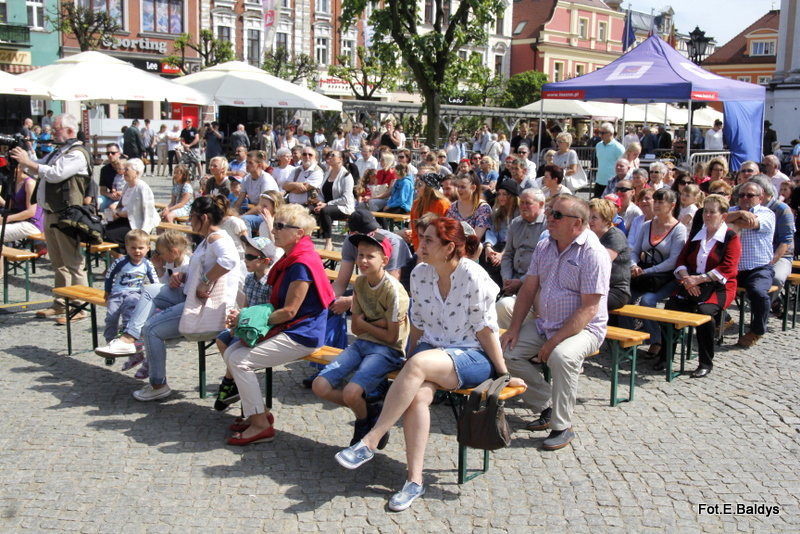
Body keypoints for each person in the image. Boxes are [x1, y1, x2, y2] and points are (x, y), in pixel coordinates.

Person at [335, 217, 524, 511]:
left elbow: (485, 330)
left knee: (419, 364)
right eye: (421, 237)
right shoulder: (420, 274)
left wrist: (503, 374)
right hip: (431, 351)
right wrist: (407, 365)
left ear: (450, 248)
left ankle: (371, 440)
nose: (420, 244)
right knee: (417, 397)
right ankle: (414, 482)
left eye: (429, 240)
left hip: (471, 354)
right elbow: (419, 326)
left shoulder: (472, 275)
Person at [95, 197, 241, 400]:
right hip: (190, 297)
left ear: (204, 218)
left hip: (205, 308)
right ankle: (128, 339)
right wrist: (183, 275)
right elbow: (204, 266)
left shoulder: (217, 238)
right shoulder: (209, 239)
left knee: (152, 329)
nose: (189, 221)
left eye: (191, 218)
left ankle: (158, 384)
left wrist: (205, 281)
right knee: (150, 290)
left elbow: (230, 261)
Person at [501, 195, 610, 450]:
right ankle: (547, 403)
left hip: (585, 328)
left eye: (557, 215)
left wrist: (553, 342)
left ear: (577, 224)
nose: (549, 218)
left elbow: (589, 308)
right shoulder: (545, 245)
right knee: (504, 350)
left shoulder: (593, 253)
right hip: (546, 323)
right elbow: (528, 289)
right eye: (550, 212)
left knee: (562, 356)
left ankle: (562, 425)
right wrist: (514, 328)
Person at [224, 204, 334, 445]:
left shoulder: (300, 264)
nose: (275, 230)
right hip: (295, 327)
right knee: (232, 351)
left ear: (299, 233)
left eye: (281, 226)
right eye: (276, 224)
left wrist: (246, 319)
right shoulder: (293, 257)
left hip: (304, 334)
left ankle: (261, 424)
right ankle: (259, 414)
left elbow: (289, 311)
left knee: (240, 361)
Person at [313, 232, 409, 446]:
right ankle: (370, 413)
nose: (363, 261)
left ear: (384, 260)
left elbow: (392, 337)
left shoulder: (394, 290)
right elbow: (355, 328)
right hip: (362, 344)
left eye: (370, 256)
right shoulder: (361, 284)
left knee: (351, 392)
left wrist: (366, 324)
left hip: (387, 350)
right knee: (320, 385)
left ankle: (363, 423)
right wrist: (377, 323)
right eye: (360, 255)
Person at [9, 113, 91, 322]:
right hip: (51, 212)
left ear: (70, 131)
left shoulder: (78, 153)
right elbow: (39, 168)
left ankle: (78, 308)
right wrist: (23, 158)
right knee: (58, 263)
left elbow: (55, 173)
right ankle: (60, 303)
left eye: (56, 130)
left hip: (68, 215)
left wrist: (29, 162)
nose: (52, 133)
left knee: (73, 263)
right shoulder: (59, 150)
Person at [663, 195, 741, 378]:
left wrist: (698, 280)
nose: (707, 215)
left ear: (723, 216)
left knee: (704, 314)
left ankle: (705, 362)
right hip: (691, 283)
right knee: (670, 307)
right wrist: (687, 279)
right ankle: (665, 356)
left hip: (719, 287)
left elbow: (727, 268)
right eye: (705, 211)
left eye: (712, 212)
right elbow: (681, 260)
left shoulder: (731, 237)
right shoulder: (697, 235)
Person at [213, 235, 283, 411]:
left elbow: (271, 311)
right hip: (246, 323)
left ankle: (229, 383)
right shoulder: (250, 279)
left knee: (232, 347)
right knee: (221, 340)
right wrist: (237, 318)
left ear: (266, 260)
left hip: (260, 328)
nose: (246, 260)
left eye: (251, 257)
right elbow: (246, 304)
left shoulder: (272, 283)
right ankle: (235, 382)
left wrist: (242, 323)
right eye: (245, 256)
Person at [630, 188, 687, 360]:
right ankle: (628, 337)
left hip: (667, 277)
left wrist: (647, 270)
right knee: (623, 297)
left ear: (672, 205)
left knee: (648, 301)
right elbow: (635, 250)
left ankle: (657, 339)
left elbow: (673, 261)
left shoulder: (679, 229)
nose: (656, 205)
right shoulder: (647, 226)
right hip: (645, 275)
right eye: (656, 200)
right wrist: (633, 265)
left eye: (661, 201)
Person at [725, 181, 775, 347]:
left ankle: (758, 330)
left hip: (758, 268)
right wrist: (740, 213)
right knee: (707, 286)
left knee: (758, 292)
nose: (745, 198)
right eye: (741, 195)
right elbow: (716, 220)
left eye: (750, 195)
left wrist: (732, 220)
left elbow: (752, 223)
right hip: (731, 267)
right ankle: (723, 320)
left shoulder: (767, 213)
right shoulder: (732, 210)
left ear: (760, 198)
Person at [103, 229, 157, 371]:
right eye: (133, 248)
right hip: (117, 294)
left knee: (130, 316)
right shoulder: (121, 262)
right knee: (111, 317)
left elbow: (154, 281)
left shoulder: (147, 264)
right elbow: (109, 276)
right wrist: (107, 291)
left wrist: (156, 296)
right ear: (126, 248)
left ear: (148, 248)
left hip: (134, 294)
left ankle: (131, 347)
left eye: (141, 248)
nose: (137, 251)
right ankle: (110, 344)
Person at [496, 188, 548, 329]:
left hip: (535, 286)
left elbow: (544, 264)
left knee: (502, 307)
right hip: (513, 280)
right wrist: (506, 279)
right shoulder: (515, 223)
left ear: (541, 204)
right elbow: (508, 254)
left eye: (528, 203)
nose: (523, 206)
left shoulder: (548, 226)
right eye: (521, 203)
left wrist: (520, 282)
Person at [746, 174, 795, 317]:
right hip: (755, 254)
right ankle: (769, 302)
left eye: (750, 194)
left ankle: (761, 314)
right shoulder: (750, 208)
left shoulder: (782, 209)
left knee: (776, 278)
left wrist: (771, 262)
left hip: (780, 256)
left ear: (763, 193)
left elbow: (786, 241)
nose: (746, 198)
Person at [102, 159, 159, 251]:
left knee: (111, 235)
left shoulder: (143, 188)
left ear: (136, 172)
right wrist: (109, 217)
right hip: (124, 219)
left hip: (136, 222)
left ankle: (124, 260)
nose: (124, 172)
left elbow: (148, 212)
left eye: (127, 170)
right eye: (124, 169)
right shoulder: (127, 185)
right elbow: (120, 206)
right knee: (102, 229)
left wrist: (143, 233)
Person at [589, 199, 631, 311]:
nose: (589, 221)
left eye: (594, 217)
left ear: (606, 220)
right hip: (596, 288)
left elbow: (600, 263)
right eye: (588, 217)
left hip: (616, 291)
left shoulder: (615, 236)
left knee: (581, 302)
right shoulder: (591, 236)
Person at [312, 150, 355, 249]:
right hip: (327, 205)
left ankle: (328, 242)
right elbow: (322, 192)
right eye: (329, 155)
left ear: (340, 159)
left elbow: (345, 199)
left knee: (325, 211)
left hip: (343, 207)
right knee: (309, 207)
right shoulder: (327, 173)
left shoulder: (346, 176)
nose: (329, 157)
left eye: (333, 155)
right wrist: (320, 202)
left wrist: (326, 204)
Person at [482, 179, 520, 286]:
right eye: (499, 194)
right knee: (487, 257)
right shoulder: (497, 212)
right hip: (499, 246)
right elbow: (492, 232)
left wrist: (502, 254)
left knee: (500, 262)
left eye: (505, 194)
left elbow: (515, 238)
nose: (501, 197)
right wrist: (488, 246)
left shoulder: (519, 213)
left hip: (513, 247)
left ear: (512, 196)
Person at [235, 150, 279, 235]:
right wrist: (232, 214)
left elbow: (261, 207)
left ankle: (248, 244)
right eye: (247, 162)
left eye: (250, 163)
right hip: (254, 210)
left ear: (259, 165)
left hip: (268, 214)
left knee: (244, 220)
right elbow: (239, 200)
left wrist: (241, 216)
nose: (247, 165)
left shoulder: (266, 180)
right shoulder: (246, 179)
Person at [0, 165, 44, 247]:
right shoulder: (14, 182)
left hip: (32, 224)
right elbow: (11, 206)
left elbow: (30, 212)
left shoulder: (30, 183)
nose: (8, 170)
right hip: (19, 221)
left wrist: (5, 219)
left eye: (11, 167)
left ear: (21, 168)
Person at [445, 173, 492, 240]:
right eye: (458, 187)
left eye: (463, 187)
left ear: (473, 188)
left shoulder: (483, 208)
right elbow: (447, 229)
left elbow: (476, 237)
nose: (459, 190)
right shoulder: (453, 207)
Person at [594, 123, 625, 198]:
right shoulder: (598, 145)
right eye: (600, 132)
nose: (600, 135)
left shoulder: (619, 148)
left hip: (613, 182)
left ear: (611, 133)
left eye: (603, 133)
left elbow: (623, 165)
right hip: (599, 181)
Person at [98, 143, 123, 211]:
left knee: (112, 208)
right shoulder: (104, 170)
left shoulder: (127, 167)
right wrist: (110, 195)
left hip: (125, 198)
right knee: (96, 202)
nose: (110, 155)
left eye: (113, 153)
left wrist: (121, 194)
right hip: (111, 196)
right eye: (107, 153)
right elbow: (102, 190)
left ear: (119, 154)